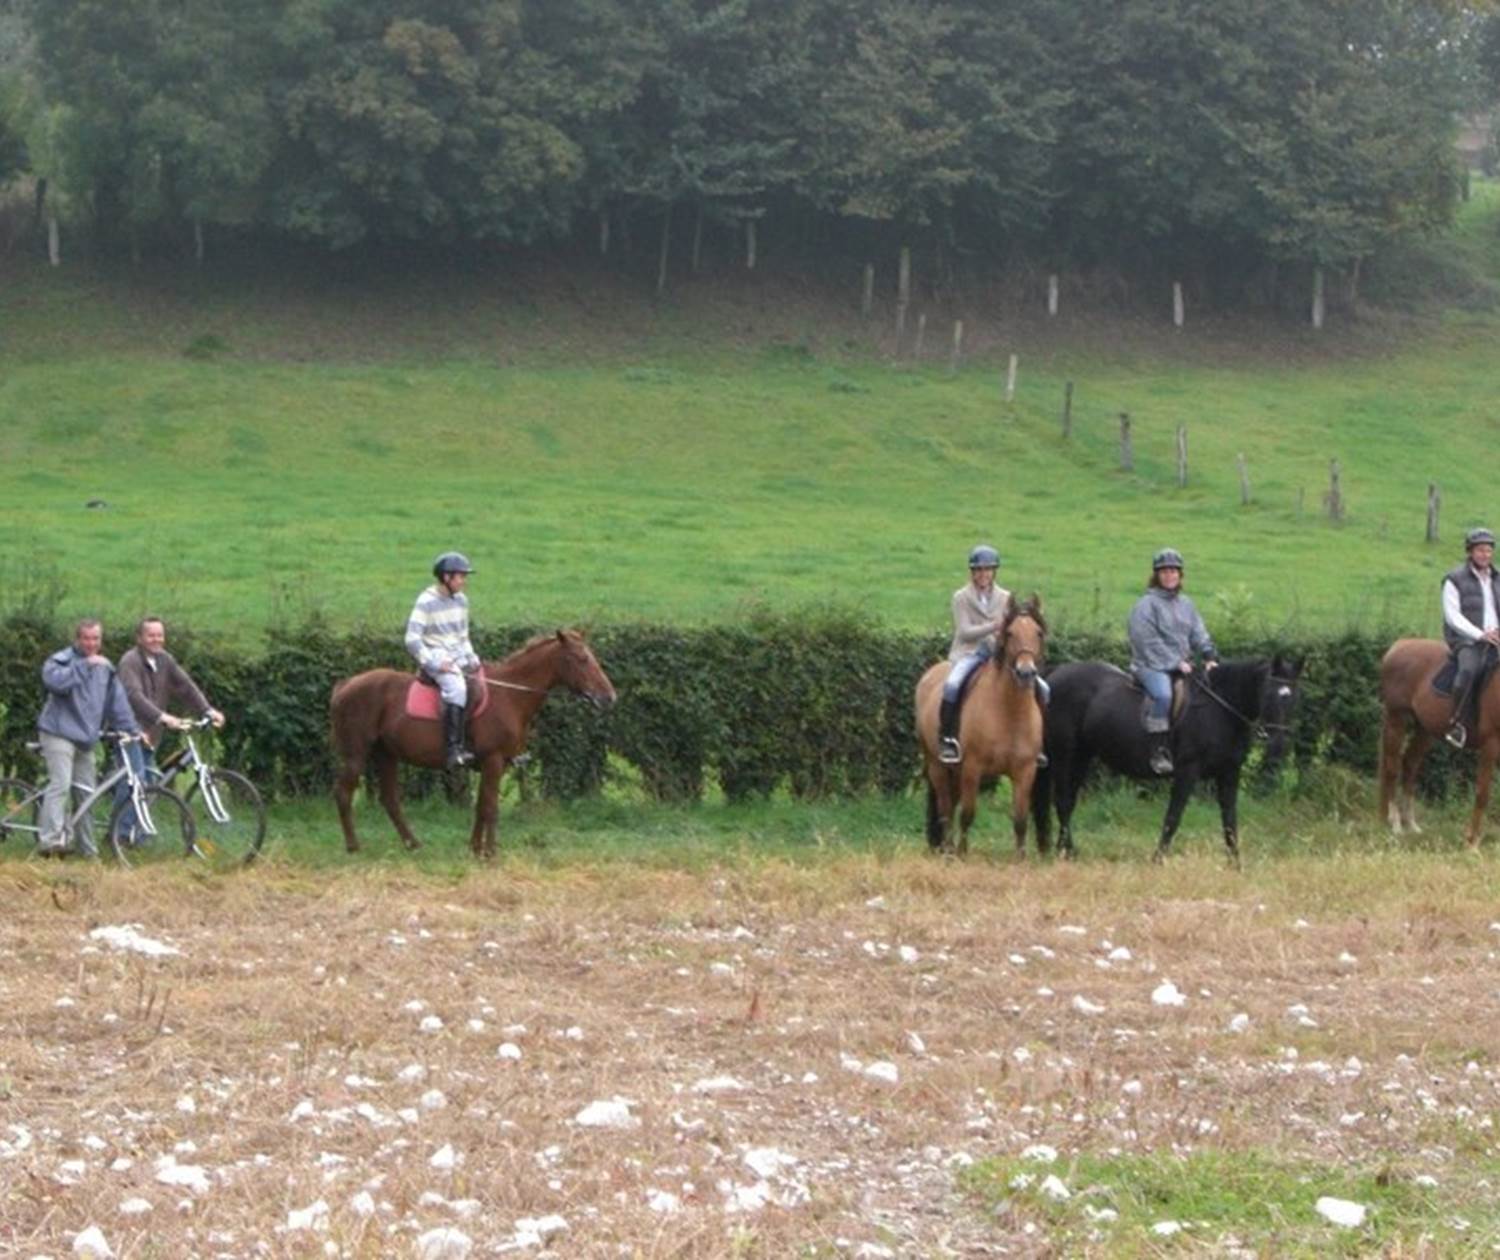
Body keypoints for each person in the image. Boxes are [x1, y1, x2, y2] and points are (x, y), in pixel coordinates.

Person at [36, 618, 142, 855]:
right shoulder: (61, 661)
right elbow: (55, 683)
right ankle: (50, 841)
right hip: (58, 732)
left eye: (96, 639)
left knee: (86, 792)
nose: (91, 644)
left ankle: (87, 849)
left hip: (85, 738)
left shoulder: (105, 668)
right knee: (61, 784)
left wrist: (133, 731)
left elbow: (117, 704)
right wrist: (85, 665)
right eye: (86, 638)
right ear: (77, 639)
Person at [937, 544, 1049, 765]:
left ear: (994, 572)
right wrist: (992, 626)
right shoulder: (961, 597)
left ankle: (1038, 743)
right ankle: (948, 738)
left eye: (987, 570)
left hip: (997, 655)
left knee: (1044, 689)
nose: (983, 574)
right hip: (968, 652)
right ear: (972, 572)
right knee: (952, 685)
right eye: (978, 570)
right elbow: (964, 632)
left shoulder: (1005, 597)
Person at [1127, 548, 1217, 776]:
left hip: (1182, 665)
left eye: (1173, 571)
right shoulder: (1146, 605)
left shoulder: (1186, 604)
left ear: (1180, 575)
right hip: (1149, 665)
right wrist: (1175, 662)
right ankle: (1158, 750)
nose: (1169, 576)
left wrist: (1209, 655)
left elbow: (1198, 633)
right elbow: (1145, 641)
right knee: (1163, 696)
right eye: (1164, 572)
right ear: (1156, 575)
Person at [117, 614, 225, 778]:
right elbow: (134, 696)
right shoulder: (129, 662)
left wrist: (207, 710)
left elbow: (186, 686)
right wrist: (162, 717)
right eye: (151, 636)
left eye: (160, 635)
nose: (156, 640)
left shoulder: (164, 659)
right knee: (135, 783)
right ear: (139, 638)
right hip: (130, 733)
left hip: (151, 736)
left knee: (149, 786)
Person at [406, 551, 481, 769]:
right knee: (457, 688)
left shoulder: (462, 601)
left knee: (482, 680)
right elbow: (412, 639)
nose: (464, 581)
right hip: (435, 654)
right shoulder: (426, 601)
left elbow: (463, 636)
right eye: (461, 576)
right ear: (446, 577)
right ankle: (452, 749)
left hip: (457, 653)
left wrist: (472, 657)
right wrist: (433, 663)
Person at [1440, 526, 1500, 749]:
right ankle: (1457, 723)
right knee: (1468, 670)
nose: (1485, 554)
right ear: (1470, 551)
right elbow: (1452, 616)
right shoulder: (1454, 579)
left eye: (1489, 550)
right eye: (1480, 550)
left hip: (1496, 638)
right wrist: (1480, 634)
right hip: (1467, 640)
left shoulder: (1498, 578)